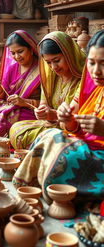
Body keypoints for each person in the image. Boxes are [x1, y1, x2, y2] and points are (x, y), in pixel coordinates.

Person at [12, 29, 104, 201]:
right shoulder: (92, 84)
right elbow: (74, 127)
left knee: (57, 147)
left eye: (103, 63)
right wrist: (68, 120)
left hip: (98, 156)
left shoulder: (83, 81)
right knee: (49, 137)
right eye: (91, 63)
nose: (96, 71)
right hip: (84, 145)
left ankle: (54, 188)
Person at [10, 31, 85, 150]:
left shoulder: (84, 79)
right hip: (53, 125)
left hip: (73, 129)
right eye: (48, 62)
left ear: (69, 55)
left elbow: (72, 119)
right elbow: (43, 105)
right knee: (16, 130)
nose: (53, 67)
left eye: (57, 60)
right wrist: (42, 112)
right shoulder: (51, 76)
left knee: (46, 139)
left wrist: (52, 115)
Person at [0, 30, 41, 136]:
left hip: (28, 109)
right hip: (10, 105)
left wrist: (24, 102)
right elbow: (2, 96)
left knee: (6, 119)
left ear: (31, 49)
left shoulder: (42, 69)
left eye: (20, 51)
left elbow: (47, 103)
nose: (17, 56)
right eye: (13, 53)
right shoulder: (12, 68)